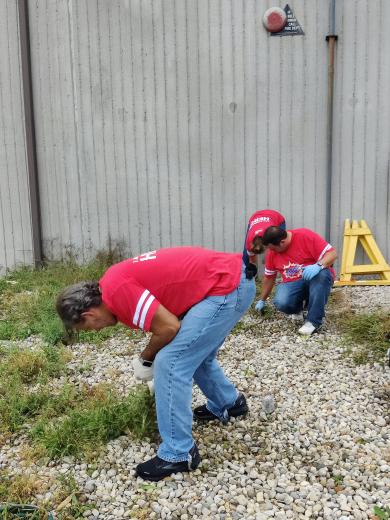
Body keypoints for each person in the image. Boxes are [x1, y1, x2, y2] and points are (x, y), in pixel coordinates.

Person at [56, 247, 256, 481]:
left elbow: (169, 327)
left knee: (170, 363)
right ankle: (230, 404)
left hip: (227, 287)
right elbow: (169, 322)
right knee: (192, 353)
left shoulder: (117, 293)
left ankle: (179, 454)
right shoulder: (112, 285)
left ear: (88, 314)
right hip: (231, 278)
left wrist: (146, 358)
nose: (96, 330)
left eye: (89, 328)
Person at [255, 226, 337, 335]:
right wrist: (262, 300)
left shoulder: (304, 236)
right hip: (292, 282)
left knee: (322, 276)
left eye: (273, 248)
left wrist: (318, 265)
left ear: (282, 242)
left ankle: (313, 321)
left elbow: (332, 254)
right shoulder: (272, 252)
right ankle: (297, 308)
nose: (271, 251)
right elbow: (269, 277)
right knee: (281, 302)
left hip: (315, 277)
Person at [242, 209, 286, 278]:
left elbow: (273, 252)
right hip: (256, 216)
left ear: (267, 245)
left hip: (276, 217)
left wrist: (269, 274)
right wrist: (253, 270)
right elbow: (252, 260)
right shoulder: (249, 242)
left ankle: (283, 276)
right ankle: (245, 278)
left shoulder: (270, 235)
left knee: (280, 248)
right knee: (246, 254)